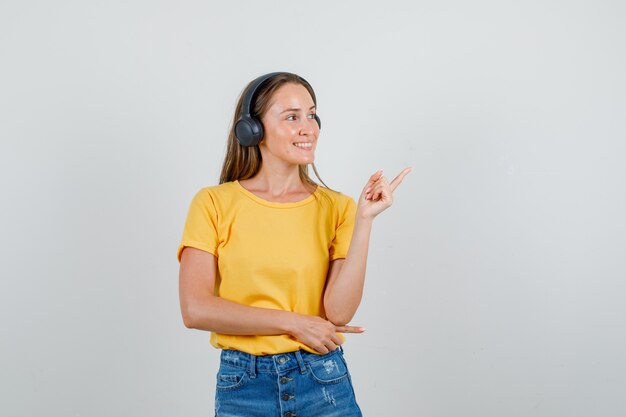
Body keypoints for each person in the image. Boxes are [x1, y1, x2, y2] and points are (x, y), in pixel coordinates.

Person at [177, 72, 410, 417]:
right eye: (292, 117)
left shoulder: (339, 207)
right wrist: (295, 322)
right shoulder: (213, 203)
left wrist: (365, 221)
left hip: (322, 380)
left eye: (312, 115)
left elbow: (338, 313)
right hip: (244, 385)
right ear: (252, 129)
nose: (309, 128)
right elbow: (196, 309)